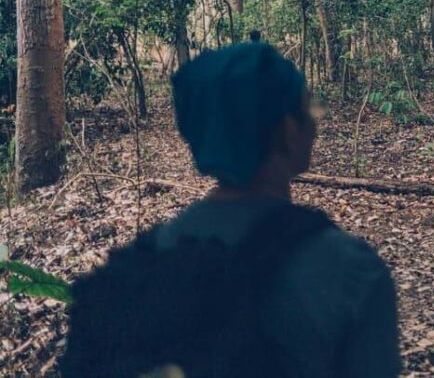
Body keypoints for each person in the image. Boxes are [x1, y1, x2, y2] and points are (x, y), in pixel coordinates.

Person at [61, 43, 401, 378]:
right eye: (308, 110)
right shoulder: (352, 273)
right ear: (287, 131)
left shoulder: (142, 262)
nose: (316, 123)